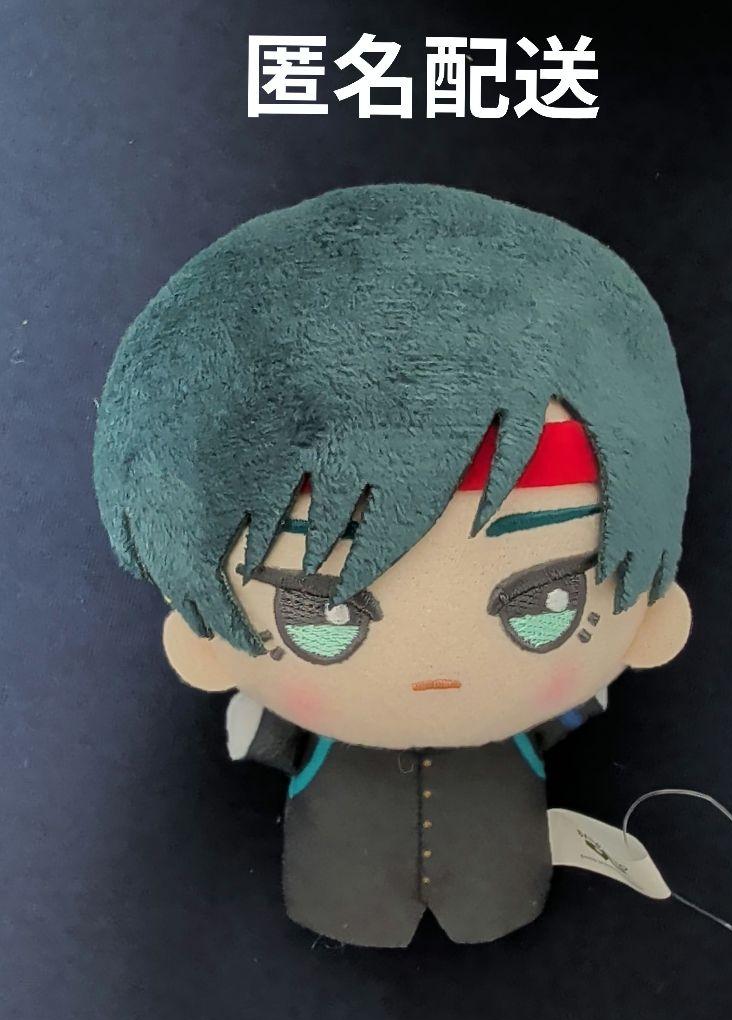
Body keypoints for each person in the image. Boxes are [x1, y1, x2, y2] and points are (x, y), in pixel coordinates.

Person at [93, 184, 693, 946]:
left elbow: (575, 716)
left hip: (499, 886)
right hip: (340, 889)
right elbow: (265, 740)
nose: (437, 665)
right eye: (320, 617)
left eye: (545, 604)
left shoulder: (544, 721)